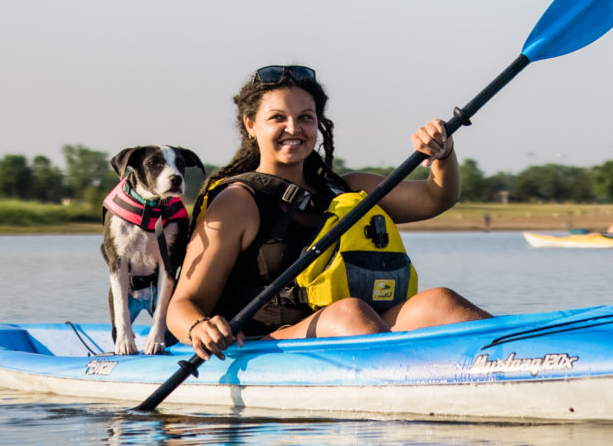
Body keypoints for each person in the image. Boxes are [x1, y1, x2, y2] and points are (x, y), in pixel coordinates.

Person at [170, 66, 492, 355]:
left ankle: (520, 356)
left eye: (305, 117)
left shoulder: (348, 188)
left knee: (439, 302)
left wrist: (444, 154)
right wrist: (199, 327)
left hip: (357, 332)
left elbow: (436, 197)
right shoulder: (237, 201)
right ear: (251, 124)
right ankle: (409, 381)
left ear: (318, 124)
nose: (293, 128)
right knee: (348, 313)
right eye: (277, 118)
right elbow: (182, 306)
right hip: (266, 347)